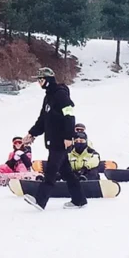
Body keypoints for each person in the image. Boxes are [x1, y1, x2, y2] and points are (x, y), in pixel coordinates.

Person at [21, 67, 88, 210]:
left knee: (51, 171)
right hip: (53, 141)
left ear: (49, 80)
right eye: (38, 80)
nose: (39, 83)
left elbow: (69, 115)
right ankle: (79, 200)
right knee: (67, 173)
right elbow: (43, 120)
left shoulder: (60, 94)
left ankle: (40, 200)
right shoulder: (48, 97)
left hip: (61, 141)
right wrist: (32, 134)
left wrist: (69, 136)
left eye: (41, 80)